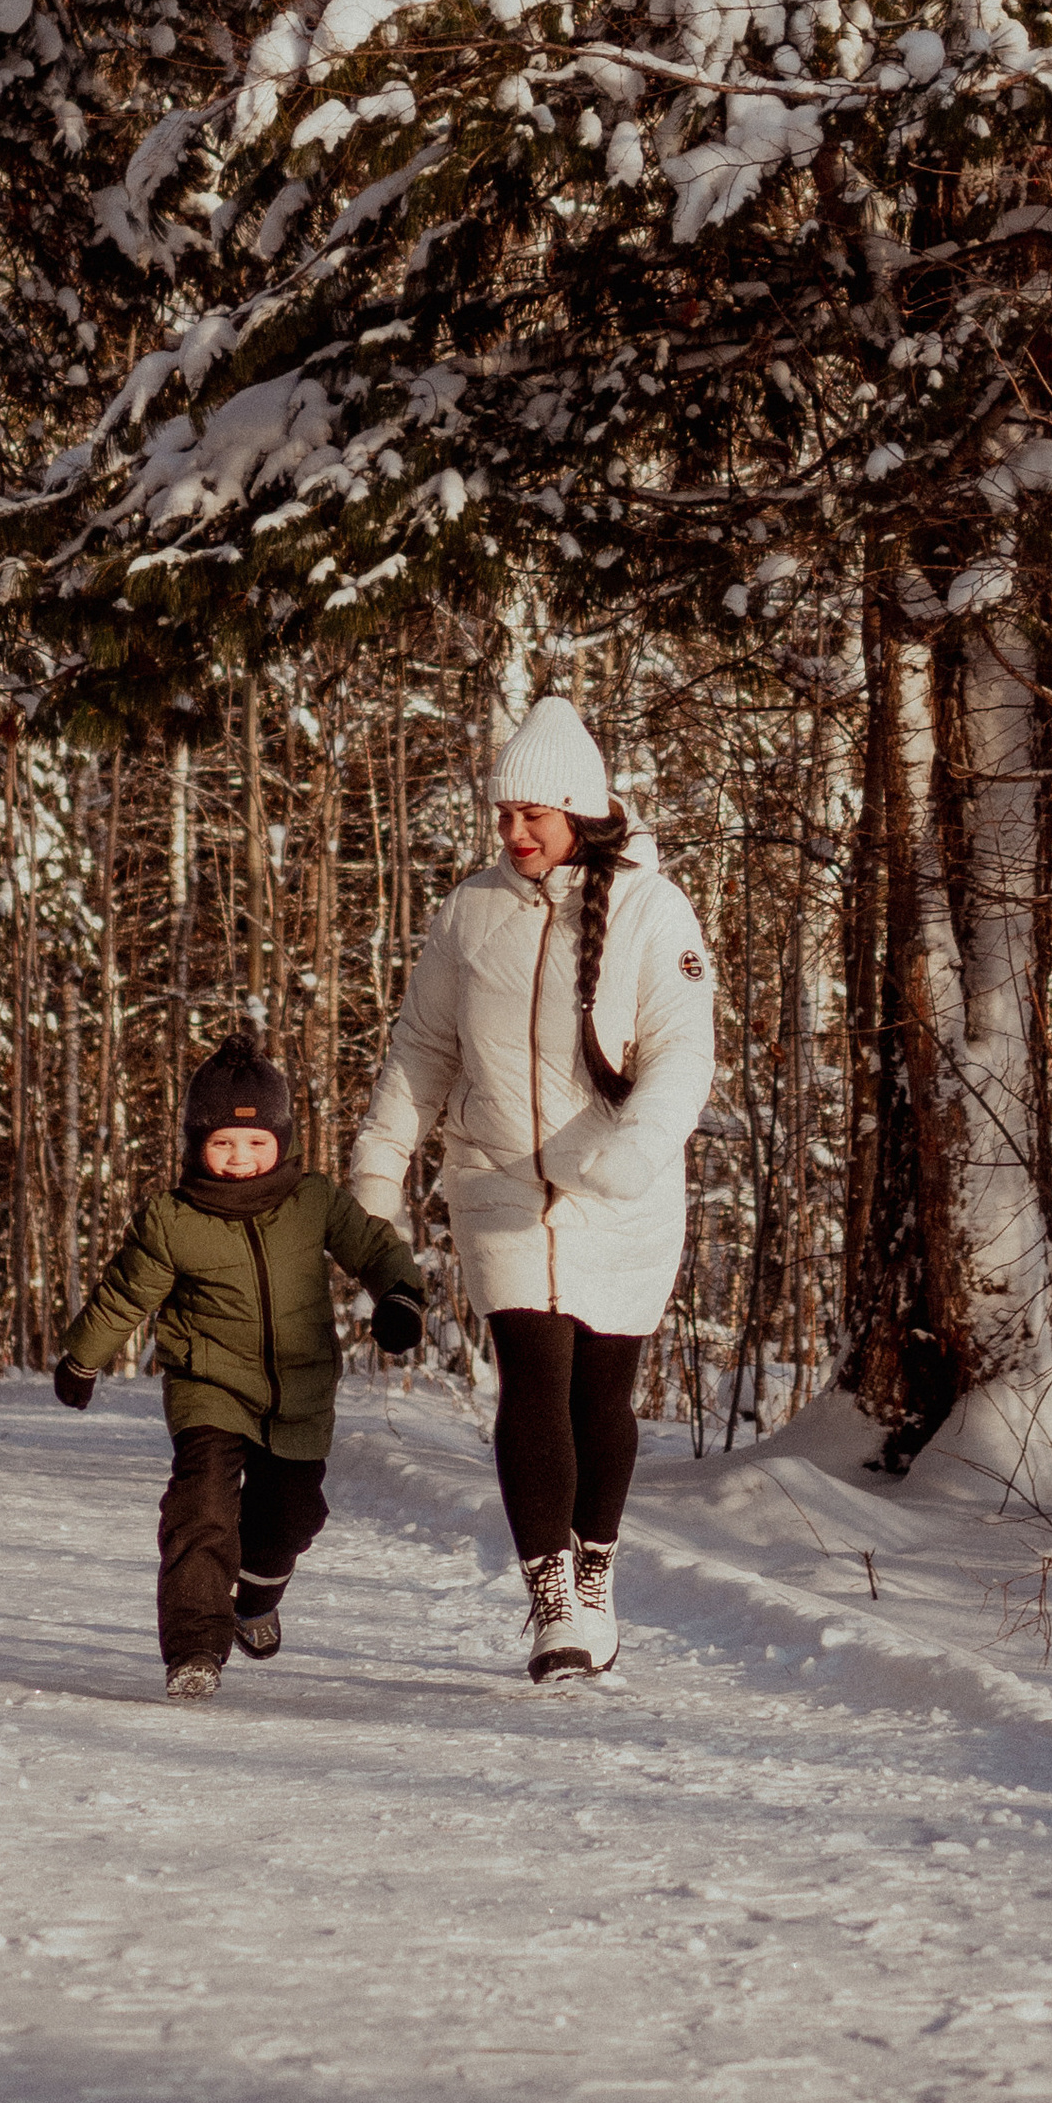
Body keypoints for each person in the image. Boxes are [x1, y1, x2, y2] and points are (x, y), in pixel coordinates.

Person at [347, 696, 717, 1682]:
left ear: (579, 812)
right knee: (531, 1377)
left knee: (603, 1397)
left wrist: (642, 1142)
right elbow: (422, 1048)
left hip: (618, 1188)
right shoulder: (469, 908)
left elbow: (683, 1047)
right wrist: (380, 1164)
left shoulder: (651, 907)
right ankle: (550, 1594)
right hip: (497, 1179)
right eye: (502, 815)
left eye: (531, 817)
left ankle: (596, 1568)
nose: (512, 833)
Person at [56, 1034, 424, 1701]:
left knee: (292, 1515)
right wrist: (83, 1357)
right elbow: (124, 1293)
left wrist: (400, 1294)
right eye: (223, 1143)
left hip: (300, 1389)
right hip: (210, 1388)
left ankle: (255, 1597)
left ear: (281, 1141)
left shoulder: (313, 1201)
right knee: (202, 1506)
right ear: (198, 1144)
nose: (240, 1159)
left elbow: (373, 1246)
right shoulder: (172, 1219)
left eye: (256, 1143)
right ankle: (196, 1643)